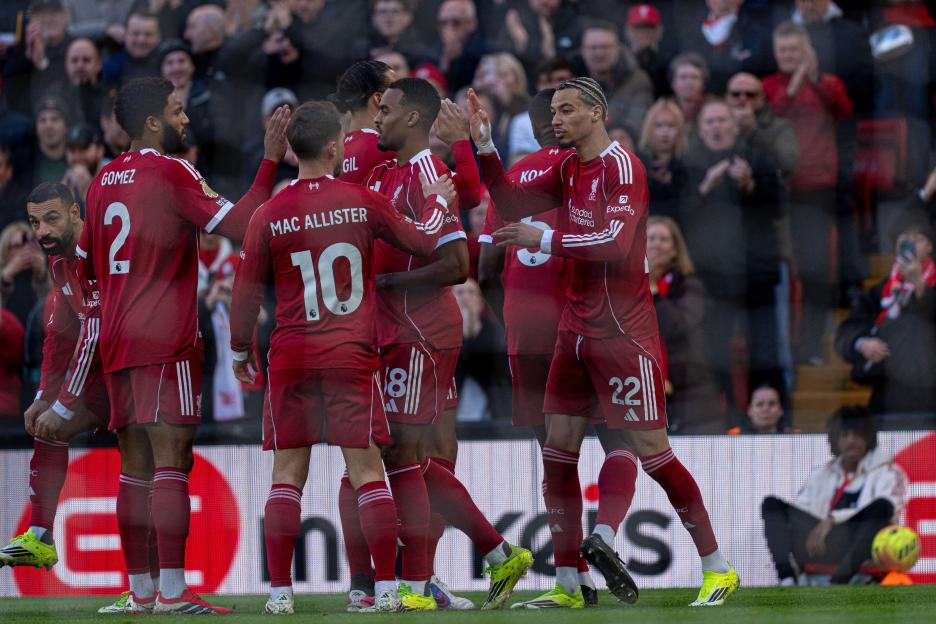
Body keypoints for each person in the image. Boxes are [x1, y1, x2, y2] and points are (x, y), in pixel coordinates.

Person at [471, 77, 739, 607]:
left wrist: (544, 237)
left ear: (598, 113)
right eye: (554, 112)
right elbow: (508, 199)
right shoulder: (567, 167)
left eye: (567, 111)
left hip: (622, 331)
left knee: (653, 453)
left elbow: (616, 244)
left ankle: (717, 566)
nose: (558, 121)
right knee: (557, 453)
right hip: (572, 329)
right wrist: (484, 146)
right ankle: (570, 585)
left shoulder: (623, 167)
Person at [228, 100, 455, 614]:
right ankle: (388, 591)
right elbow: (422, 241)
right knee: (367, 470)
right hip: (352, 354)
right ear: (335, 146)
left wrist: (242, 350)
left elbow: (244, 296)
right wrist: (438, 201)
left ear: (291, 150)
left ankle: (280, 594)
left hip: (291, 355)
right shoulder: (363, 200)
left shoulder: (268, 213)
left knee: (288, 474)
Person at [77, 76, 290, 614]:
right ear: (153, 122)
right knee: (172, 464)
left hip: (117, 341)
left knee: (133, 470)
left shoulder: (101, 182)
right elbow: (241, 224)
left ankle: (142, 592)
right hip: (166, 340)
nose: (186, 120)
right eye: (177, 112)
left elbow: (81, 267)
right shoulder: (171, 170)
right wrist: (268, 161)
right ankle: (173, 593)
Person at [359, 77, 533, 611]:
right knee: (433, 458)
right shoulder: (390, 172)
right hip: (409, 331)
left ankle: (494, 551)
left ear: (411, 118)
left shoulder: (425, 172)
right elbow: (474, 193)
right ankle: (424, 582)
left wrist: (385, 286)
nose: (377, 119)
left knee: (402, 455)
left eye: (385, 110)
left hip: (416, 333)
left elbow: (460, 265)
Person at [328, 62, 491, 610]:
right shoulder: (385, 153)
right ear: (377, 102)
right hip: (410, 324)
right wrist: (463, 146)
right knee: (417, 456)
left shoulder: (332, 156)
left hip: (356, 323)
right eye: (388, 95)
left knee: (369, 457)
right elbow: (465, 199)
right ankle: (433, 575)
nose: (387, 112)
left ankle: (368, 582)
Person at [477, 88, 642, 607]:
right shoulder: (589, 170)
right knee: (621, 445)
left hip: (525, 336)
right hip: (588, 325)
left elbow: (481, 268)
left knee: (555, 458)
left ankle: (571, 581)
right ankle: (607, 534)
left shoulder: (521, 175)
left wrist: (510, 314)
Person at [0, 182, 152, 614]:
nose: (42, 230)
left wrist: (64, 402)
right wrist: (43, 397)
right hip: (110, 375)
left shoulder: (96, 250)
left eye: (50, 218)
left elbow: (96, 328)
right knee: (48, 427)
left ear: (74, 212)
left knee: (148, 477)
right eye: (33, 222)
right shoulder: (58, 264)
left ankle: (155, 588)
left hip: (144, 369)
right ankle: (41, 538)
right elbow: (59, 337)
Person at [680, 99, 785, 418]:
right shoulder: (689, 163)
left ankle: (773, 416)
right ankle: (725, 417)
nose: (716, 127)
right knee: (715, 352)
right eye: (709, 121)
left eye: (722, 120)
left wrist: (751, 185)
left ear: (734, 125)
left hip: (757, 273)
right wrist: (704, 188)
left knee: (765, 352)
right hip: (712, 278)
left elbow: (779, 207)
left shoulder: (757, 157)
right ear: (700, 129)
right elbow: (678, 218)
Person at [763, 21, 853, 366]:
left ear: (807, 51)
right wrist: (795, 85)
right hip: (778, 192)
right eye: (783, 50)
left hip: (816, 191)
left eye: (795, 50)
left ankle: (812, 346)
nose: (789, 56)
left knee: (815, 270)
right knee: (787, 272)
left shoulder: (827, 83)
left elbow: (843, 110)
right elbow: (770, 121)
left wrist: (811, 80)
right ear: (775, 52)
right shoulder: (767, 87)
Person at [761, 406, 908, 585]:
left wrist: (832, 520)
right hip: (820, 544)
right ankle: (787, 578)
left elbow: (890, 509)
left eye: (857, 435)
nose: (850, 441)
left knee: (882, 507)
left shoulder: (888, 471)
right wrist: (813, 526)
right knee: (771, 505)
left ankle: (839, 581)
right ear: (835, 440)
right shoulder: (822, 473)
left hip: (860, 546)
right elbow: (801, 509)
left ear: (868, 438)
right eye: (844, 435)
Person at [835, 211, 936, 421]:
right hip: (888, 397)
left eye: (918, 238)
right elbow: (845, 334)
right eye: (904, 239)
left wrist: (919, 286)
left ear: (930, 247)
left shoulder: (931, 287)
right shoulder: (879, 292)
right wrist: (861, 343)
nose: (911, 244)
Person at [646, 215, 723, 434]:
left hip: (688, 389)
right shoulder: (622, 286)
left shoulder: (690, 285)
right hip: (640, 384)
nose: (656, 244)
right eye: (650, 238)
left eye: (663, 239)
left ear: (675, 249)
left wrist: (652, 288)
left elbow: (677, 326)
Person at [578, 19, 653, 137]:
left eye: (605, 47)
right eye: (593, 47)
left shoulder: (637, 80)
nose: (599, 53)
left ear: (617, 48)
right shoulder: (569, 78)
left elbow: (636, 125)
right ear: (583, 50)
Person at [637, 99, 688, 220]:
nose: (665, 131)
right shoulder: (636, 165)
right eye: (659, 125)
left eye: (671, 125)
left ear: (680, 130)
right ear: (649, 129)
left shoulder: (687, 167)